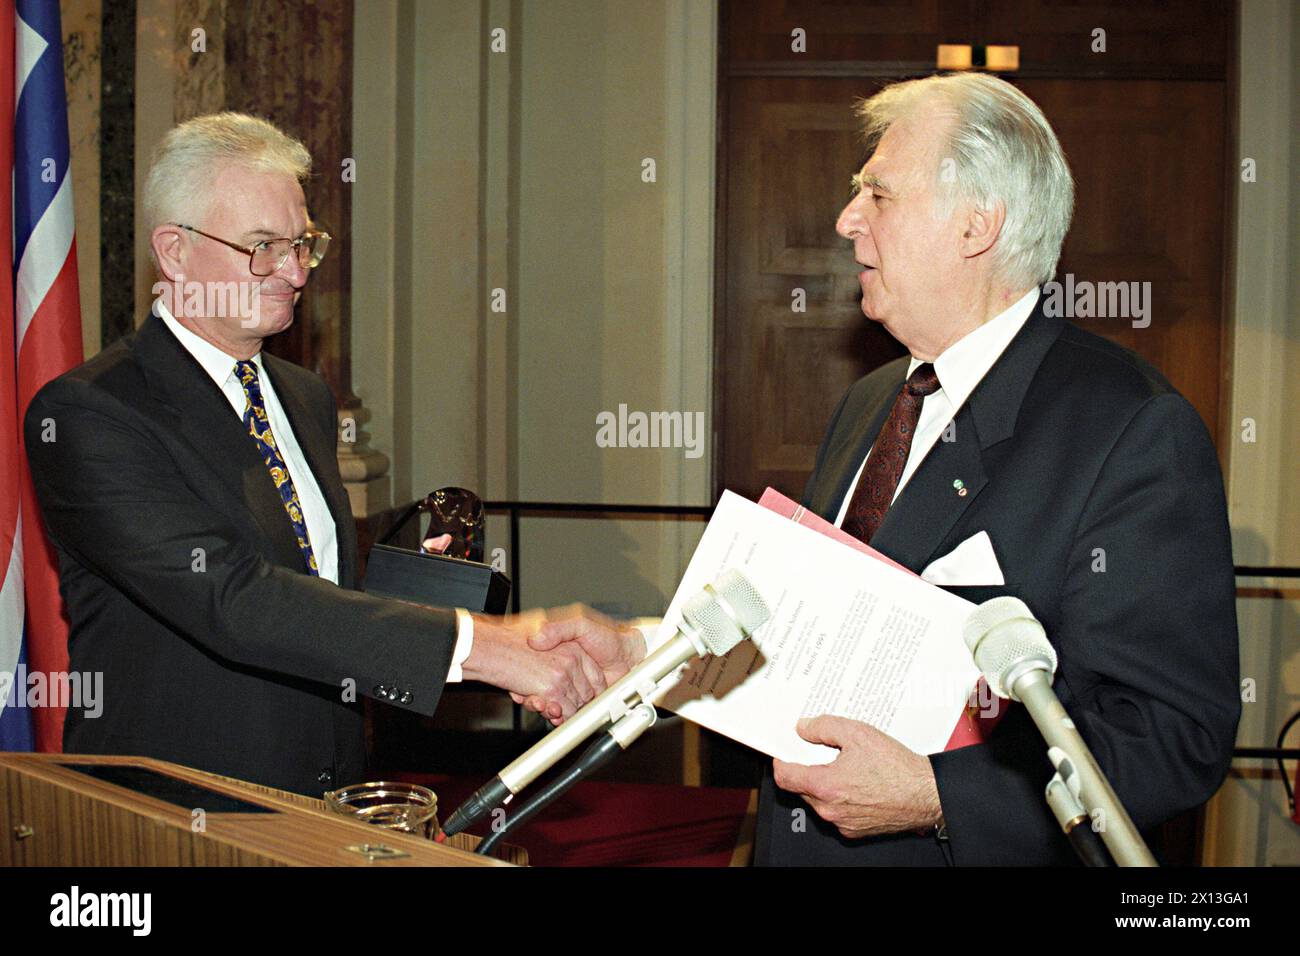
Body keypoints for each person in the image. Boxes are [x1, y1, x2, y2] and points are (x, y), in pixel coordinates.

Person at [541, 72, 1241, 865]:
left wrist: (939, 799)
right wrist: (651, 656)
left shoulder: (1132, 429)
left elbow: (1174, 736)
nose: (846, 221)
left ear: (977, 226)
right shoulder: (876, 399)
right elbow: (801, 635)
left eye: (878, 195)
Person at [24, 112, 620, 797]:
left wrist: (426, 600)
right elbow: (233, 598)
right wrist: (483, 650)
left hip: (328, 792)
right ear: (175, 251)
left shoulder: (302, 394)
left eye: (303, 244)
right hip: (183, 807)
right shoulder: (90, 413)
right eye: (264, 246)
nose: (294, 271)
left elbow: (307, 584)